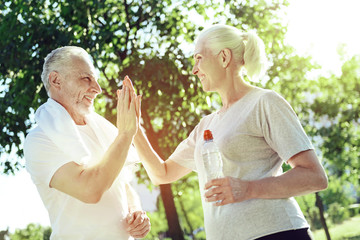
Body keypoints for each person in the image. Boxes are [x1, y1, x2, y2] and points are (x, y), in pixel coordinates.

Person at [122, 24, 328, 240]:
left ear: (223, 57)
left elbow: (314, 176)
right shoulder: (206, 126)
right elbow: (161, 174)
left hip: (277, 232)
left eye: (199, 58)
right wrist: (133, 130)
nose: (194, 70)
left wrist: (247, 189)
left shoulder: (264, 102)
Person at [24, 46, 150, 239]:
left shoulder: (101, 129)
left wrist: (137, 211)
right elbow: (90, 190)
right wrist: (125, 135)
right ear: (56, 80)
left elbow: (122, 185)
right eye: (86, 78)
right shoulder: (39, 140)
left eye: (96, 79)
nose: (97, 89)